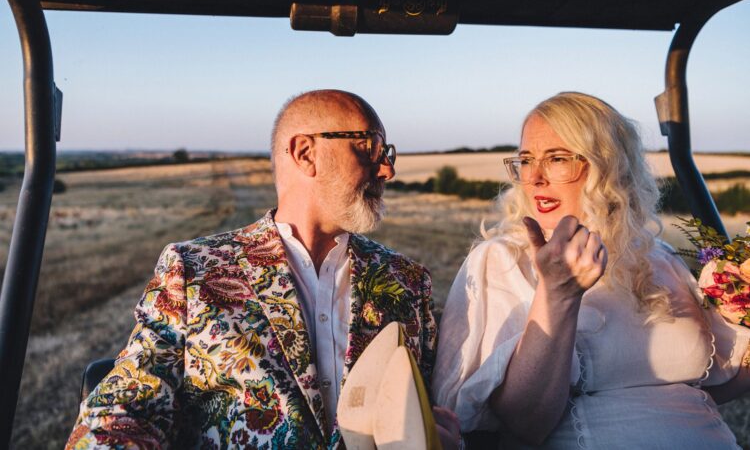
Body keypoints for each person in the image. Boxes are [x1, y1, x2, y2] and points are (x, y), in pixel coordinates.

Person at [67, 90, 460, 449]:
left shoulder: (407, 282)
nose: (386, 170)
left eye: (386, 153)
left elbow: (426, 410)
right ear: (305, 152)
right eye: (369, 148)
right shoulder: (192, 273)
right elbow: (118, 418)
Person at [432, 92, 750, 448]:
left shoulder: (658, 258)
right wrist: (557, 294)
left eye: (556, 159)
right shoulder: (503, 261)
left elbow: (717, 387)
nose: (534, 177)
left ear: (609, 165)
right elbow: (523, 426)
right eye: (525, 160)